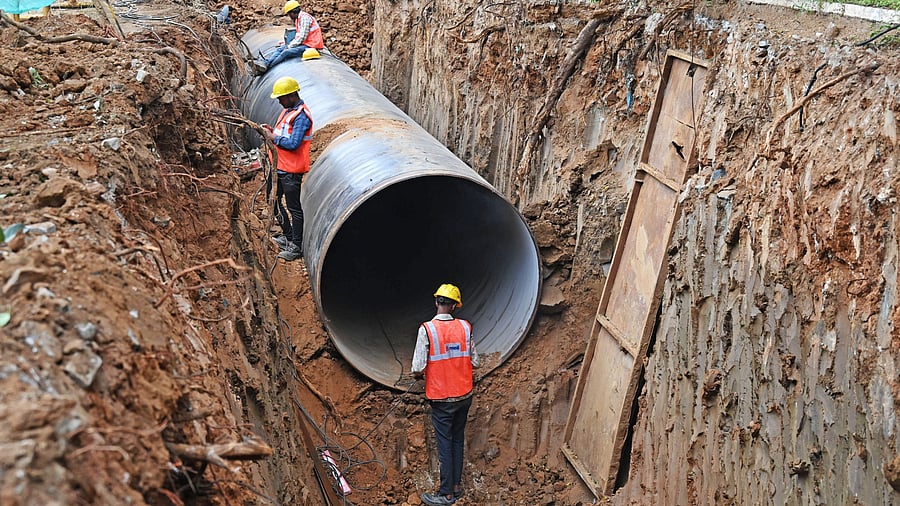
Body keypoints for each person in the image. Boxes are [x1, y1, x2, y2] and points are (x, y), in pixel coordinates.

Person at [411, 284, 480, 506]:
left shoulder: (427, 329)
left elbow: (417, 366)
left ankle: (447, 494)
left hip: (441, 398)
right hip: (464, 395)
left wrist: (421, 374)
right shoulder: (465, 327)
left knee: (445, 444)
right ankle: (457, 486)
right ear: (454, 306)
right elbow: (475, 361)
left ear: (436, 303)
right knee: (457, 439)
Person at [261, 76, 312, 261]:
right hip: (279, 167)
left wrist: (273, 138)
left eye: (281, 98)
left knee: (294, 208)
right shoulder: (288, 111)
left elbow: (293, 144)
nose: (279, 101)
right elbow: (281, 133)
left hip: (291, 170)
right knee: (272, 200)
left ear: (291, 95)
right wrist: (271, 132)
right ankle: (288, 236)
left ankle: (296, 246)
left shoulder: (302, 117)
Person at [255, 0, 325, 74]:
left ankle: (267, 68)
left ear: (293, 12)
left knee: (286, 52)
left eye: (289, 14)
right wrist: (286, 44)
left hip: (311, 46)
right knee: (280, 49)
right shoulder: (298, 19)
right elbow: (298, 35)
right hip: (305, 44)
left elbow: (302, 37)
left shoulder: (305, 18)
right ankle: (266, 63)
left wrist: (290, 46)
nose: (289, 16)